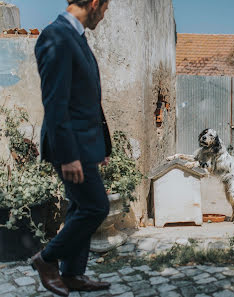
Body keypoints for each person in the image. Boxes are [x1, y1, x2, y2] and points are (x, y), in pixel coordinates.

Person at [32, 0, 112, 296]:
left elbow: (85, 99)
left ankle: (73, 273)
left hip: (84, 146)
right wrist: (68, 156)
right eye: (105, 8)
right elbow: (56, 103)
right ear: (94, 3)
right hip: (69, 148)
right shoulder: (56, 36)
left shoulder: (75, 37)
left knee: (81, 205)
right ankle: (46, 259)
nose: (104, 15)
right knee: (96, 206)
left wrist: (99, 147)